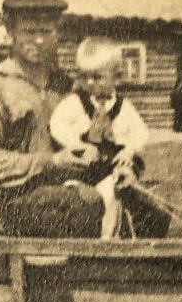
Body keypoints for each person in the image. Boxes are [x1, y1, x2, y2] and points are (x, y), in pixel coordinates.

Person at [0, 0, 104, 238]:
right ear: (10, 32)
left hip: (68, 193)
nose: (39, 41)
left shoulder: (67, 87)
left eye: (47, 32)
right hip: (11, 202)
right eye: (30, 32)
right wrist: (51, 161)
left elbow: (92, 139)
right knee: (74, 206)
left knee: (147, 211)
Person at [50, 38, 149, 238]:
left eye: (97, 77)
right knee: (86, 200)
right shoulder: (75, 103)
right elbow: (57, 125)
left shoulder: (124, 108)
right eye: (84, 76)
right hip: (84, 168)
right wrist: (77, 145)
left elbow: (141, 133)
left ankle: (112, 237)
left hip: (113, 167)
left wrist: (129, 150)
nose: (89, 83)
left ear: (117, 78)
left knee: (115, 195)